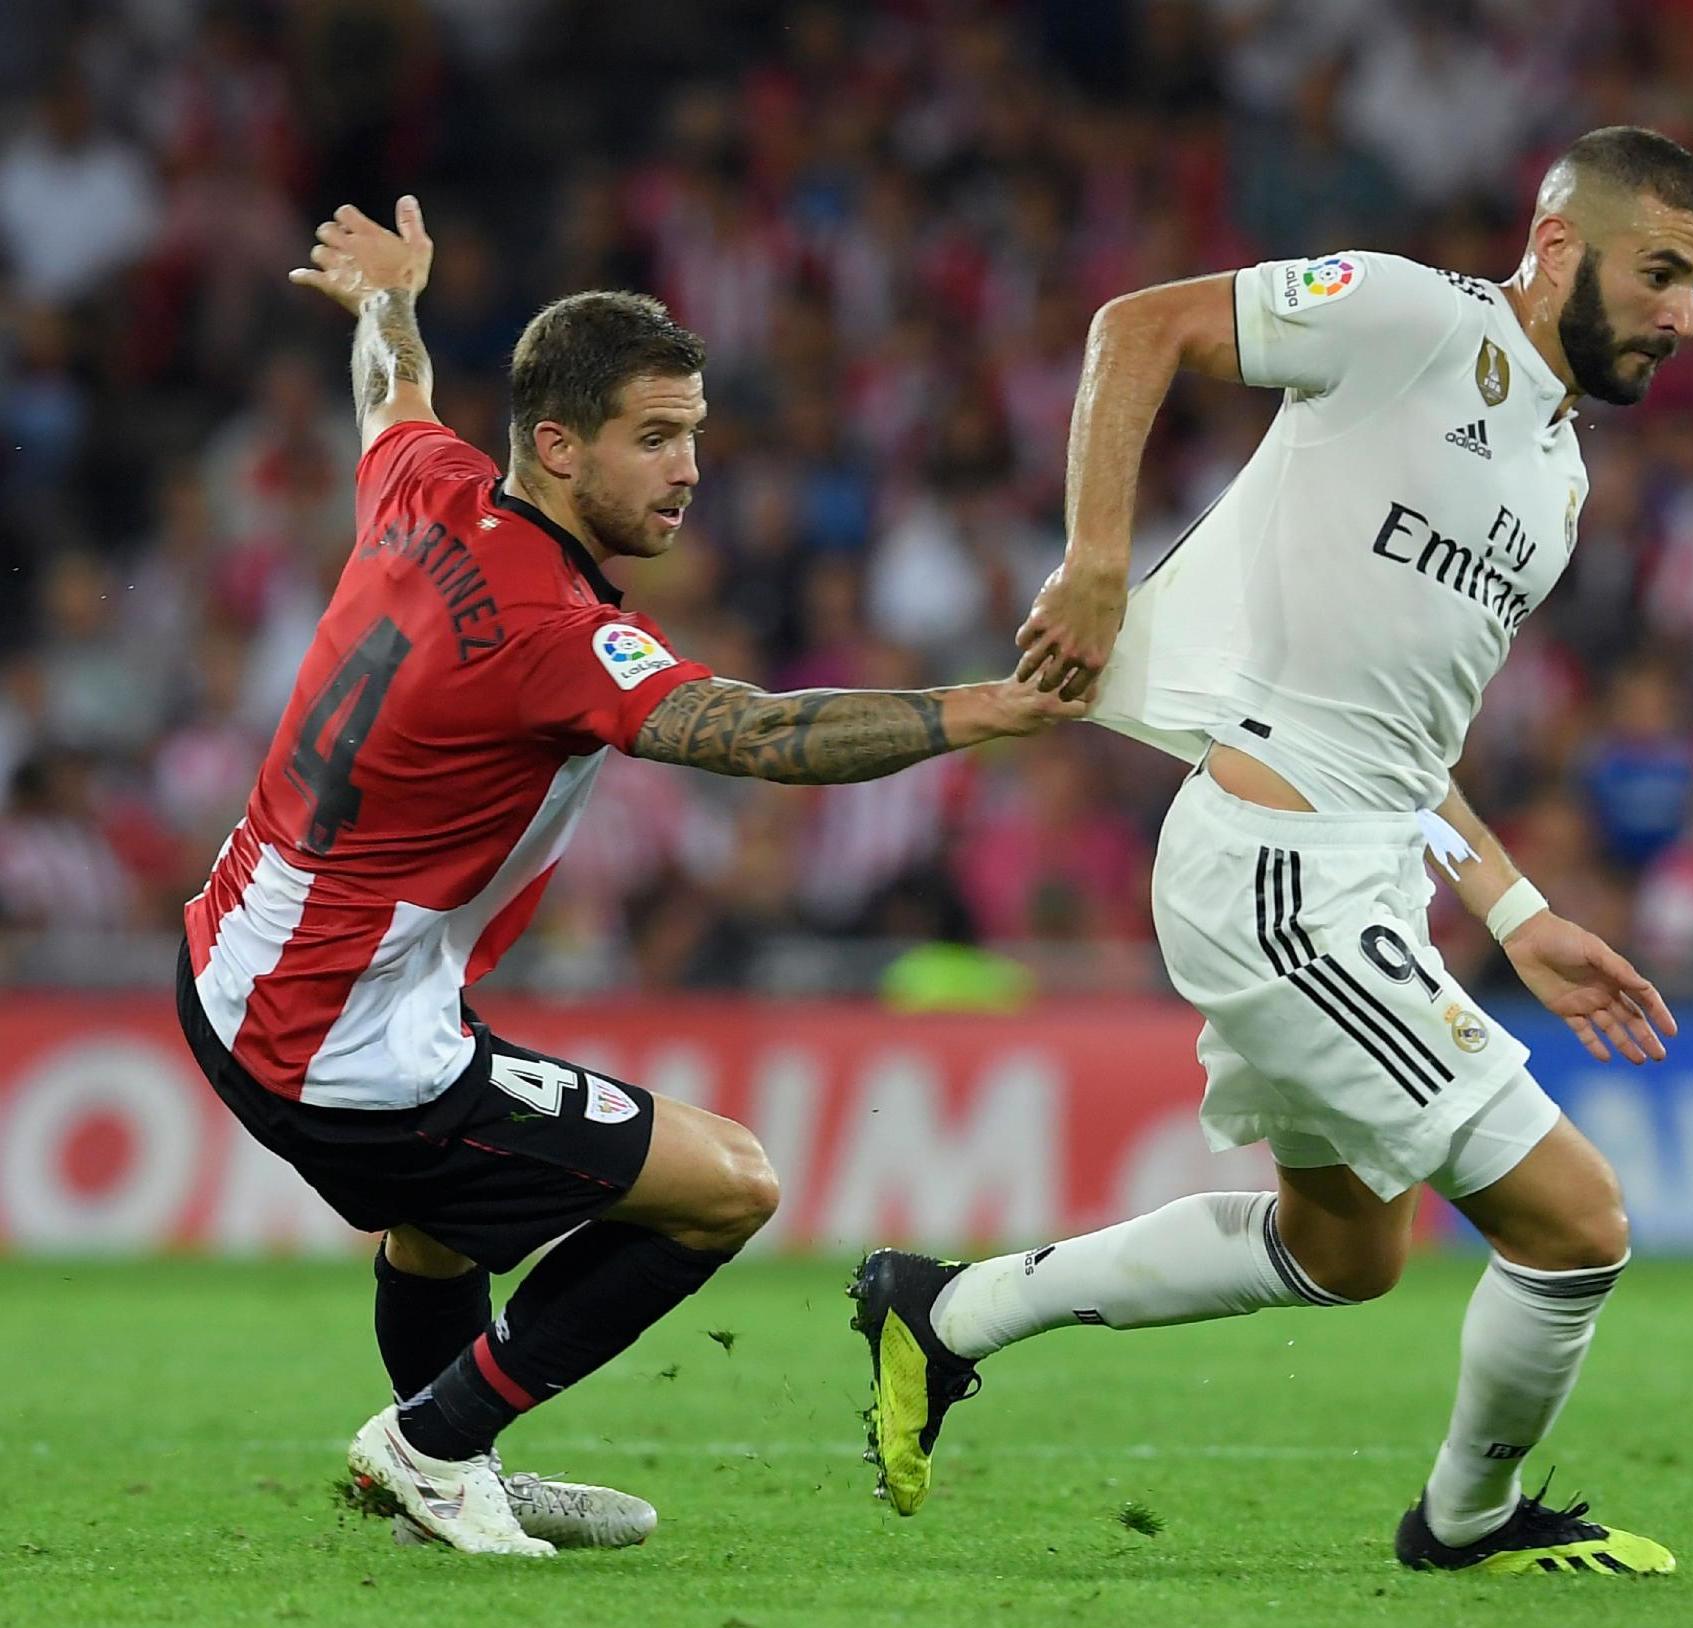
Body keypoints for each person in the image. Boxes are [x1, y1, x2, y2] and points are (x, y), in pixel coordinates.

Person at [852, 128, 1693, 1578]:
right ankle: (1468, 1525)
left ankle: (941, 1317)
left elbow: (1402, 735)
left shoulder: (1556, 481)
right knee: (1573, 1223)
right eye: (1661, 273)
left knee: (1344, 1253)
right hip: (1277, 875)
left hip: (1360, 864)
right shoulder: (1410, 321)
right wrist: (1091, 561)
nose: (1683, 316)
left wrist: (1513, 908)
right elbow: (1138, 326)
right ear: (1559, 242)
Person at [178, 197, 1087, 1557]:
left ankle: (449, 1451)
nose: (688, 471)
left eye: (695, 438)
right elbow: (760, 735)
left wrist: (389, 299)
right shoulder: (553, 627)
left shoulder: (426, 486)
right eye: (655, 438)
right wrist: (987, 710)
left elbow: (391, 390)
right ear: (555, 446)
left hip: (229, 963)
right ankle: (431, 1444)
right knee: (728, 1184)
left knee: (441, 1229)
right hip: (337, 1038)